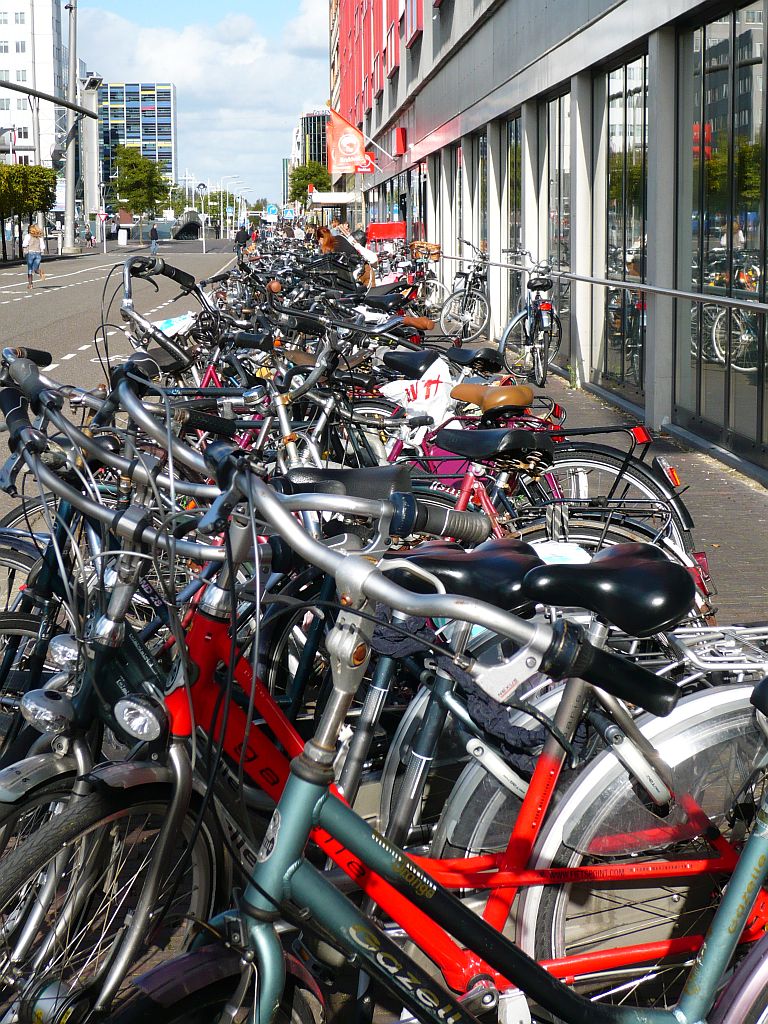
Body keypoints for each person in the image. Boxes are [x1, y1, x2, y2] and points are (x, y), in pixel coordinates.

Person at [22, 223, 45, 290]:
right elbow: (42, 246)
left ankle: (30, 284)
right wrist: (41, 251)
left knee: (30, 269)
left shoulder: (28, 236)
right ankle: (40, 272)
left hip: (30, 253)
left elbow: (24, 244)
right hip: (38, 254)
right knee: (36, 268)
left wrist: (25, 249)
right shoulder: (39, 238)